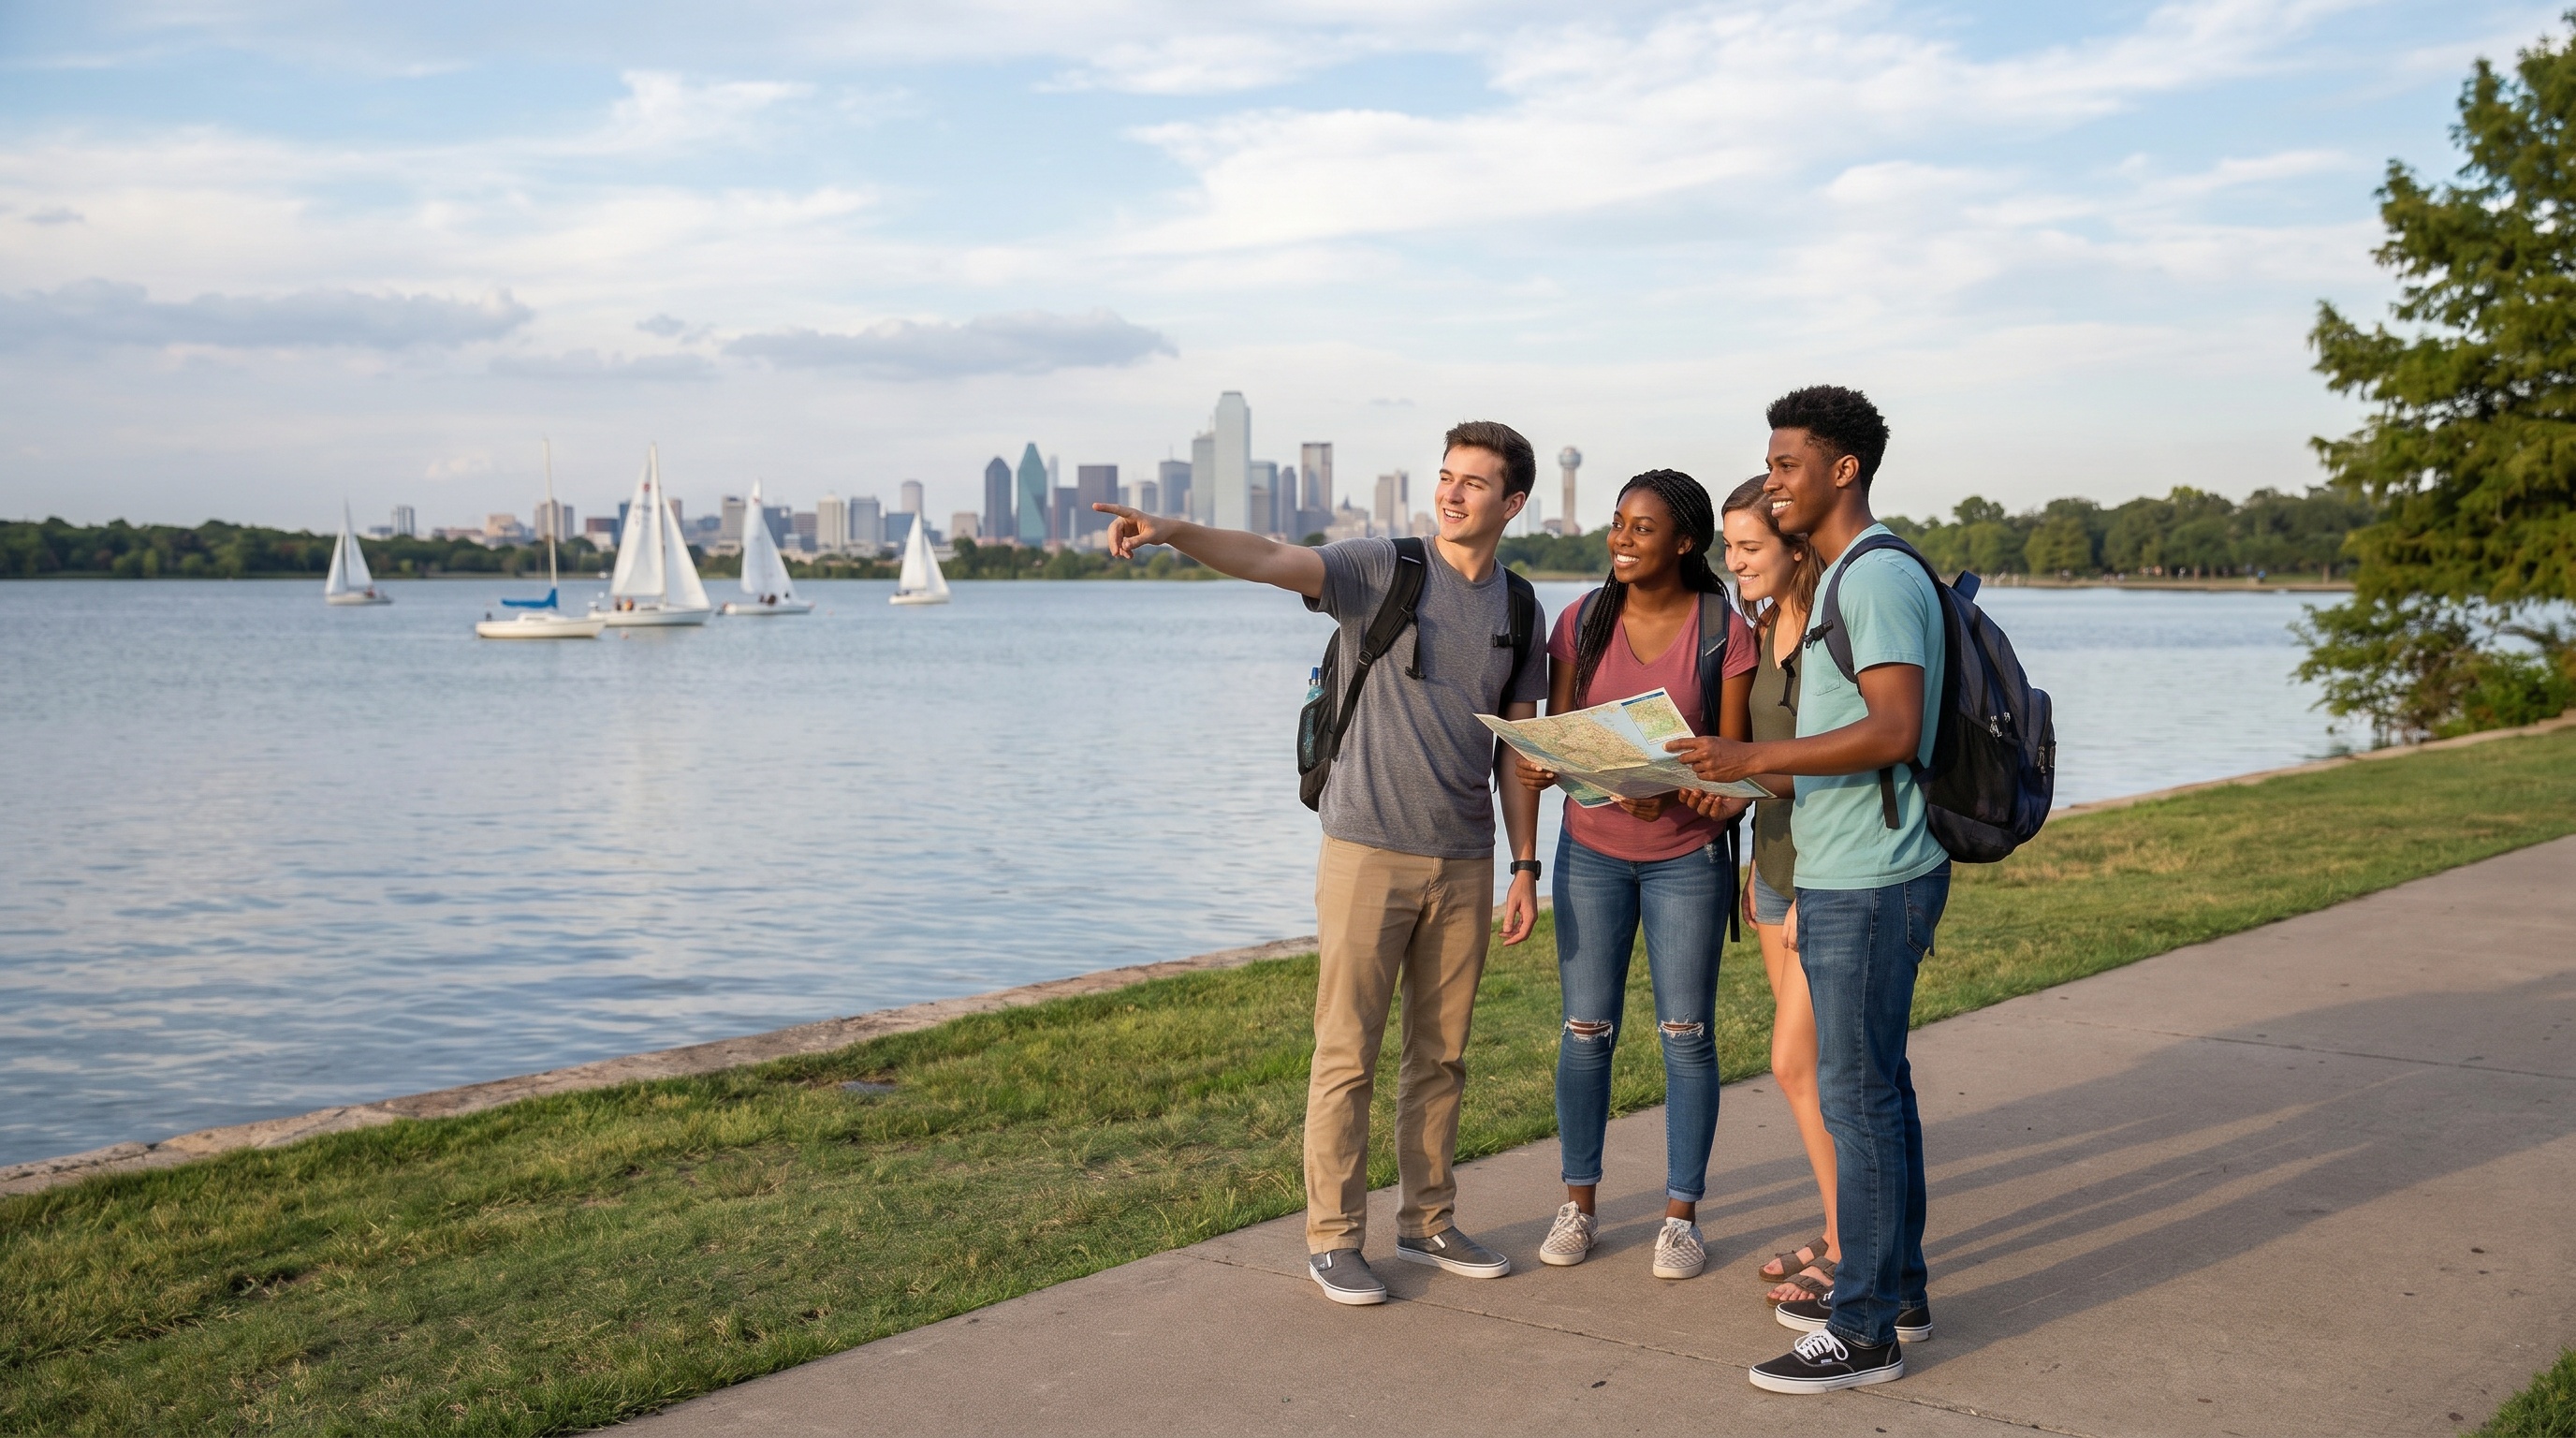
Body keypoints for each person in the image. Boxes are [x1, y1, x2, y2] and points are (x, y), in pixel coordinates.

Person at [1095, 420, 1548, 1309]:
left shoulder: (1520, 607)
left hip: (1464, 859)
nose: (1452, 494)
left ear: (1514, 503)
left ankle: (1427, 1220)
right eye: (1446, 477)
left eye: (1474, 483)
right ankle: (1335, 1239)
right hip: (1365, 849)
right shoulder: (1383, 567)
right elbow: (1271, 557)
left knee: (1442, 1055)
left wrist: (1525, 862)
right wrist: (1177, 533)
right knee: (1347, 1053)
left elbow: (1518, 748)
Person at [1667, 386, 1948, 1394]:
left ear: (1841, 472)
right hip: (1845, 871)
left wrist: (1753, 750)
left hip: (1868, 879)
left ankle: (1864, 1330)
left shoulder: (1870, 578)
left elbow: (1893, 730)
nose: (1773, 479)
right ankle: (1899, 1293)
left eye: (1787, 464)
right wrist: (1737, 769)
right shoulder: (1850, 578)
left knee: (1858, 1099)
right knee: (1878, 1094)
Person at [1510, 471, 1752, 1283]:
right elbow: (1563, 735)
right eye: (1617, 524)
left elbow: (1734, 771)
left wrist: (1690, 800)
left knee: (1686, 1035)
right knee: (1586, 1031)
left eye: (1642, 528)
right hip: (1591, 855)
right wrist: (1548, 768)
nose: (1621, 538)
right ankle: (1577, 1204)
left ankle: (1680, 1218)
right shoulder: (1582, 621)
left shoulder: (1725, 629)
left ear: (1685, 541)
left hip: (1687, 858)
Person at [1717, 474, 1838, 1308]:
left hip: (1826, 879)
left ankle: (1858, 1246)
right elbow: (1763, 763)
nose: (1735, 561)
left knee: (1797, 1065)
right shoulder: (1760, 630)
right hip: (1772, 870)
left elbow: (1851, 766)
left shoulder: (1835, 634)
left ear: (1797, 545)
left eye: (1750, 546)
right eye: (1728, 547)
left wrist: (1814, 885)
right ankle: (1841, 1232)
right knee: (1816, 1075)